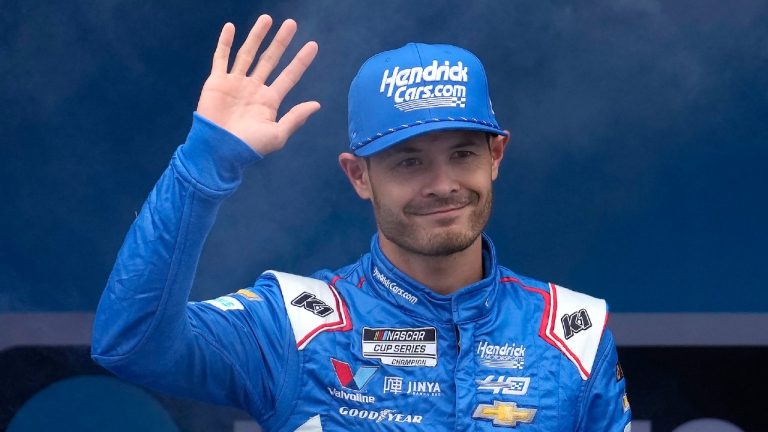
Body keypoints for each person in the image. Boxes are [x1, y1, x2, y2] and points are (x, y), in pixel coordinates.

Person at [92, 15, 632, 432]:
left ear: (496, 156)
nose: (442, 183)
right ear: (358, 176)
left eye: (463, 154)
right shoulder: (296, 326)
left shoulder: (572, 331)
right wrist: (205, 162)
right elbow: (131, 343)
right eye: (409, 161)